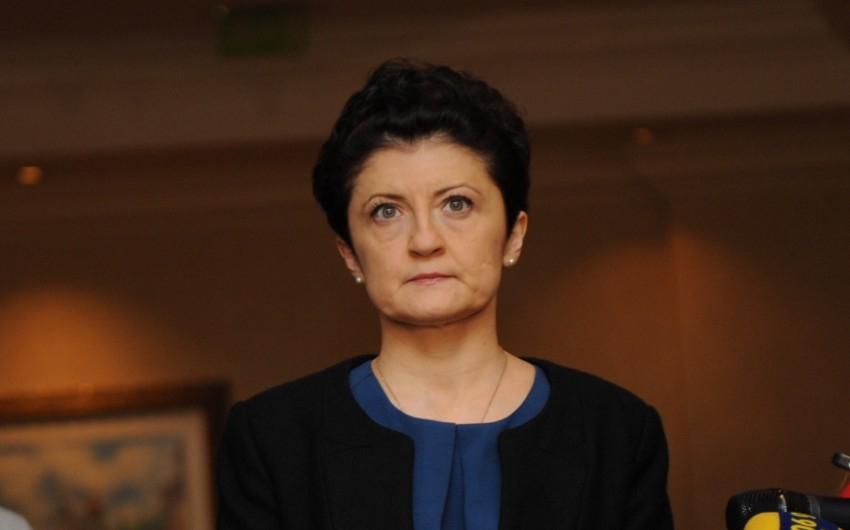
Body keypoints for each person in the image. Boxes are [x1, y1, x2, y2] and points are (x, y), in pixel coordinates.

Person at [215, 58, 674, 530]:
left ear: (513, 236)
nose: (424, 241)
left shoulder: (616, 432)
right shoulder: (273, 438)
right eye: (386, 212)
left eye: (457, 204)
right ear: (350, 253)